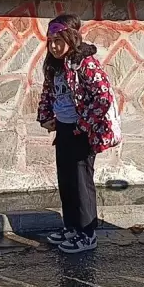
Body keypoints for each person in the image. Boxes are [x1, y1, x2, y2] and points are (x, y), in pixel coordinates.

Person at [37, 14, 117, 254]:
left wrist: (83, 126)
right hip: (63, 128)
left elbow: (104, 98)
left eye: (58, 41)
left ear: (71, 39)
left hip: (82, 131)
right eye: (50, 41)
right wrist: (45, 117)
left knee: (82, 183)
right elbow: (48, 93)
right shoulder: (54, 66)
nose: (53, 46)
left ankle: (87, 233)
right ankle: (71, 227)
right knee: (67, 181)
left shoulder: (85, 64)